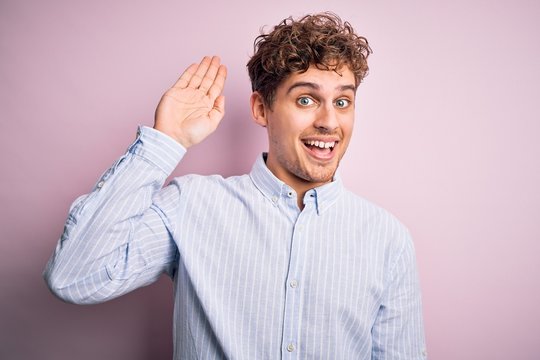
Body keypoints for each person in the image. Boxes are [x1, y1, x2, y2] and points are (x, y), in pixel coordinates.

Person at [44, 12, 427, 359]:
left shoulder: (387, 240)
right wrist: (164, 142)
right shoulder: (191, 205)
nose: (329, 121)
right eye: (307, 99)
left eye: (343, 102)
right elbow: (74, 277)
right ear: (261, 109)